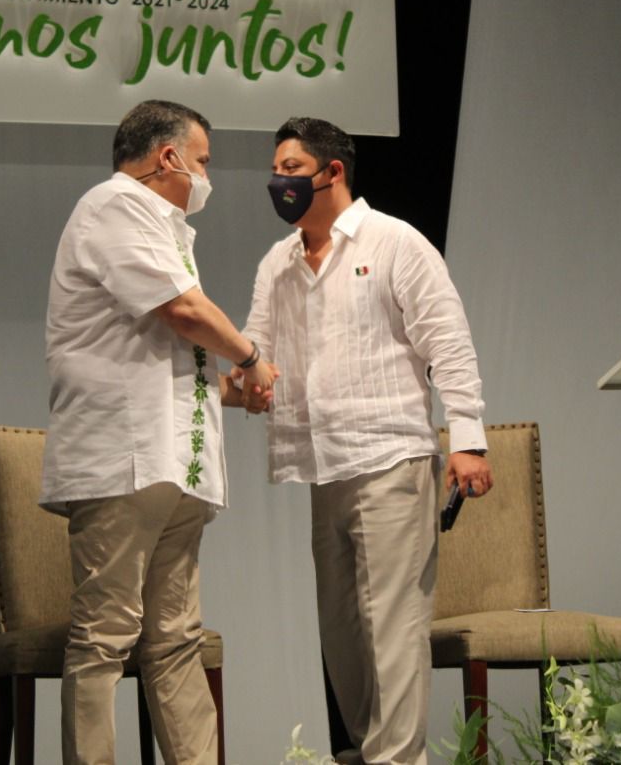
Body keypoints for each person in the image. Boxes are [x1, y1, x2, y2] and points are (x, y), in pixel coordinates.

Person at [243, 117, 494, 765]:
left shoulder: (394, 241)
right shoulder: (278, 263)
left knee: (394, 624)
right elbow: (256, 354)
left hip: (391, 457)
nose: (279, 182)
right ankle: (375, 749)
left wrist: (467, 438)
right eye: (275, 170)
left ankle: (396, 757)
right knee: (341, 632)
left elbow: (448, 342)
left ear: (333, 172)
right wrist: (244, 380)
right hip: (322, 465)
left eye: (292, 169)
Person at [42, 100, 277, 764]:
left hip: (172, 464)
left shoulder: (162, 226)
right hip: (123, 458)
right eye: (203, 161)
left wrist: (235, 390)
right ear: (168, 156)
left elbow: (173, 354)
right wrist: (252, 357)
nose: (207, 176)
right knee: (104, 636)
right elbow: (184, 312)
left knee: (176, 637)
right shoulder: (114, 205)